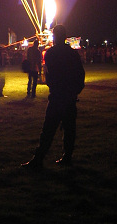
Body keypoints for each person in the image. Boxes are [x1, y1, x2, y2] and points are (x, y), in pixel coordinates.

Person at [21, 24, 85, 169]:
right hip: (69, 97)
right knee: (69, 129)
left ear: (54, 36)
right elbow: (80, 75)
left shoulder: (51, 54)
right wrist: (74, 92)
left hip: (57, 97)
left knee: (48, 129)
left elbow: (49, 76)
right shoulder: (73, 54)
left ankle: (38, 159)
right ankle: (67, 157)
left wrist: (54, 87)